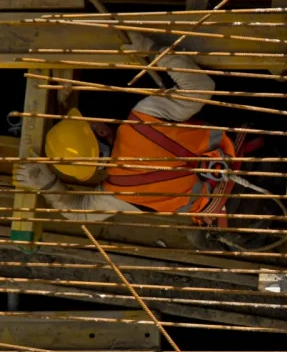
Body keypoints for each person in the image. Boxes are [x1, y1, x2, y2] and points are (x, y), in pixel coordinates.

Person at [15, 32, 242, 224]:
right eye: (90, 123)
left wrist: (47, 185)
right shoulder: (145, 116)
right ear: (102, 131)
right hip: (249, 162)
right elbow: (202, 86)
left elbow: (78, 211)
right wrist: (153, 51)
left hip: (232, 212)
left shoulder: (119, 193)